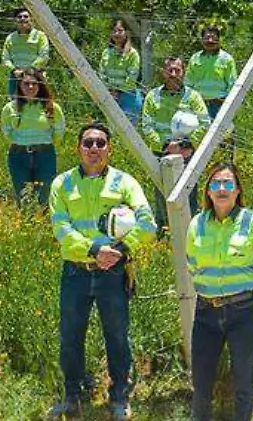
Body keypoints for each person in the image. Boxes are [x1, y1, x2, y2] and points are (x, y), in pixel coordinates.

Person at [48, 122, 157, 420]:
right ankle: (73, 395)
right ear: (78, 148)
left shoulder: (125, 183)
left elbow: (148, 223)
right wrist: (94, 250)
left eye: (100, 143)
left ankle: (120, 395)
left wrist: (120, 251)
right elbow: (61, 228)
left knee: (117, 335)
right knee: (71, 335)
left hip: (113, 273)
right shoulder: (62, 184)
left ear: (109, 148)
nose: (94, 149)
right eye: (88, 143)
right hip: (76, 271)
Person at [187, 163, 253, 421]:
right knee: (201, 381)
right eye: (216, 183)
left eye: (228, 183)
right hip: (206, 312)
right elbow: (192, 264)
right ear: (208, 191)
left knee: (243, 380)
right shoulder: (197, 224)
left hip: (244, 313)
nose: (222, 189)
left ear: (238, 190)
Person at [2, 68, 65, 207]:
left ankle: (42, 222)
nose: (30, 87)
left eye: (34, 84)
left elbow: (58, 132)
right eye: (26, 84)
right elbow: (7, 132)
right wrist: (22, 142)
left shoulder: (52, 108)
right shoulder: (10, 108)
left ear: (40, 85)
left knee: (45, 194)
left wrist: (43, 143)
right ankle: (25, 223)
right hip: (18, 155)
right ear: (19, 85)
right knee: (22, 195)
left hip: (45, 155)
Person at [142, 55, 213, 159]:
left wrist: (184, 144)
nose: (173, 74)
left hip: (185, 152)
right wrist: (165, 146)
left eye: (177, 70)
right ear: (163, 72)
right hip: (159, 152)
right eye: (170, 70)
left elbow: (205, 123)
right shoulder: (152, 96)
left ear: (183, 73)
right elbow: (147, 126)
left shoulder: (193, 96)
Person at [187, 24, 238, 118]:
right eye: (207, 38)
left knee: (222, 132)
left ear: (219, 40)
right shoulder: (194, 58)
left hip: (219, 105)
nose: (210, 41)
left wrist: (227, 104)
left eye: (213, 38)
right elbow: (188, 84)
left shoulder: (227, 59)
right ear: (202, 39)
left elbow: (232, 84)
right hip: (198, 105)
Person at [99, 20, 144, 124]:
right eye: (114, 31)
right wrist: (109, 90)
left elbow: (132, 78)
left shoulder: (133, 54)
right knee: (113, 129)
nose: (117, 34)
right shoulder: (106, 52)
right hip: (110, 97)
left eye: (120, 30)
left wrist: (117, 91)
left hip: (129, 98)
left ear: (127, 33)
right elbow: (102, 74)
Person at [3, 9, 50, 98]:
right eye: (19, 17)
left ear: (32, 19)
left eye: (26, 16)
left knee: (40, 104)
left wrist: (29, 70)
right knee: (15, 105)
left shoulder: (40, 36)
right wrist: (14, 70)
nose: (22, 19)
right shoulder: (10, 38)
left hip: (36, 76)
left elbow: (44, 56)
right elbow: (5, 58)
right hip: (16, 77)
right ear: (15, 21)